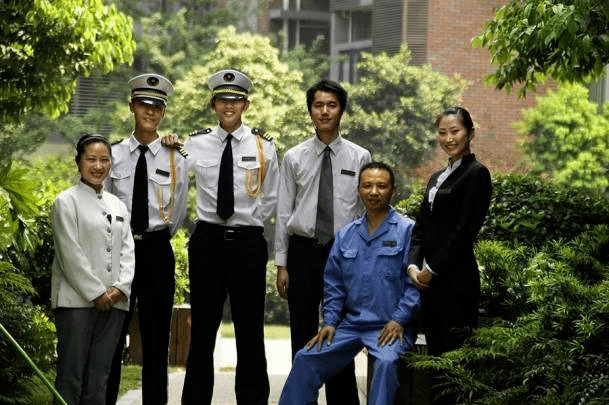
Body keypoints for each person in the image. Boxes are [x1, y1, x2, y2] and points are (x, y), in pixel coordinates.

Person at [278, 162, 420, 405]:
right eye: (367, 186)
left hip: (389, 326)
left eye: (381, 186)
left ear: (393, 191)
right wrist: (330, 321)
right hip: (351, 325)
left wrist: (400, 319)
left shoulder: (408, 231)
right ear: (358, 190)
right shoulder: (346, 234)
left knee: (385, 364)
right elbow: (334, 284)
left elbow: (414, 284)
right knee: (305, 358)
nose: (373, 192)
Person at [178, 69, 279, 404]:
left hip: (248, 244)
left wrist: (248, 223)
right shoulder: (195, 143)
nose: (229, 105)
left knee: (250, 331)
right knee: (203, 331)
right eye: (222, 99)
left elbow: (272, 197)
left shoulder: (263, 146)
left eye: (236, 99)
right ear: (213, 105)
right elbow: (175, 181)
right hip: (207, 242)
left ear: (246, 104)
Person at [274, 79, 371, 404]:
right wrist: (282, 264)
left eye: (332, 105)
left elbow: (365, 214)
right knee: (302, 333)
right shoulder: (294, 157)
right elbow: (283, 211)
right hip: (302, 253)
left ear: (341, 110)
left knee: (341, 334)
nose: (325, 111)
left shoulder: (360, 156)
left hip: (343, 254)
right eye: (318, 105)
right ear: (310, 111)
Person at [105, 73, 189, 405]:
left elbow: (177, 212)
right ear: (132, 107)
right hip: (119, 250)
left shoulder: (176, 158)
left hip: (156, 250)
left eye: (157, 107)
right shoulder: (112, 154)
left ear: (163, 112)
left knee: (156, 340)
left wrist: (155, 236)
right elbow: (103, 205)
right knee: (112, 336)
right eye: (144, 104)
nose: (150, 112)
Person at [51, 134, 135, 404]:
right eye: (91, 159)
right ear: (78, 162)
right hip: (76, 303)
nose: (98, 166)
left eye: (104, 160)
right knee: (71, 376)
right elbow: (69, 253)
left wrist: (120, 288)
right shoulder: (66, 202)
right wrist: (97, 293)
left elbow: (128, 251)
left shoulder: (118, 205)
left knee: (100, 377)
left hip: (115, 303)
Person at [407, 106, 492, 358]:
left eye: (455, 131)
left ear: (470, 133)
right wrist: (413, 266)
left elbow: (464, 232)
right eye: (442, 133)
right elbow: (421, 227)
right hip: (428, 284)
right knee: (435, 355)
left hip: (457, 281)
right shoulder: (436, 178)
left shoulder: (477, 174)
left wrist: (431, 269)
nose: (448, 139)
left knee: (455, 360)